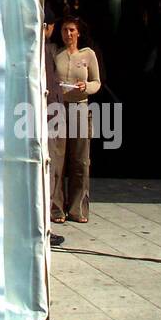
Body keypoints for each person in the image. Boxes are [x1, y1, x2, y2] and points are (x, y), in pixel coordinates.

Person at [53, 15, 101, 224]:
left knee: (80, 160)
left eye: (72, 30)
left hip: (80, 108)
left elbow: (97, 82)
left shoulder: (88, 55)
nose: (68, 34)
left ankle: (77, 208)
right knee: (57, 160)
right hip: (59, 109)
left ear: (78, 32)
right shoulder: (56, 53)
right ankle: (56, 209)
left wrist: (86, 87)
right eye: (65, 30)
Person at [43, 6, 65, 247]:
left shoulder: (41, 50)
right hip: (47, 117)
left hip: (49, 115)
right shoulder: (42, 50)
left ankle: (44, 227)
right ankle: (44, 229)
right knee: (48, 172)